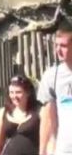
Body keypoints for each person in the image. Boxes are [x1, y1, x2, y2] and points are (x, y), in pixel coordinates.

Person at [0, 75, 40, 155]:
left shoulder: (40, 111)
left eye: (18, 92)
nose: (14, 96)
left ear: (28, 93)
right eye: (11, 92)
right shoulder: (3, 112)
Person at [40, 25, 72, 154]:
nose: (58, 50)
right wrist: (42, 151)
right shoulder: (52, 76)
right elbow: (47, 118)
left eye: (63, 46)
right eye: (56, 45)